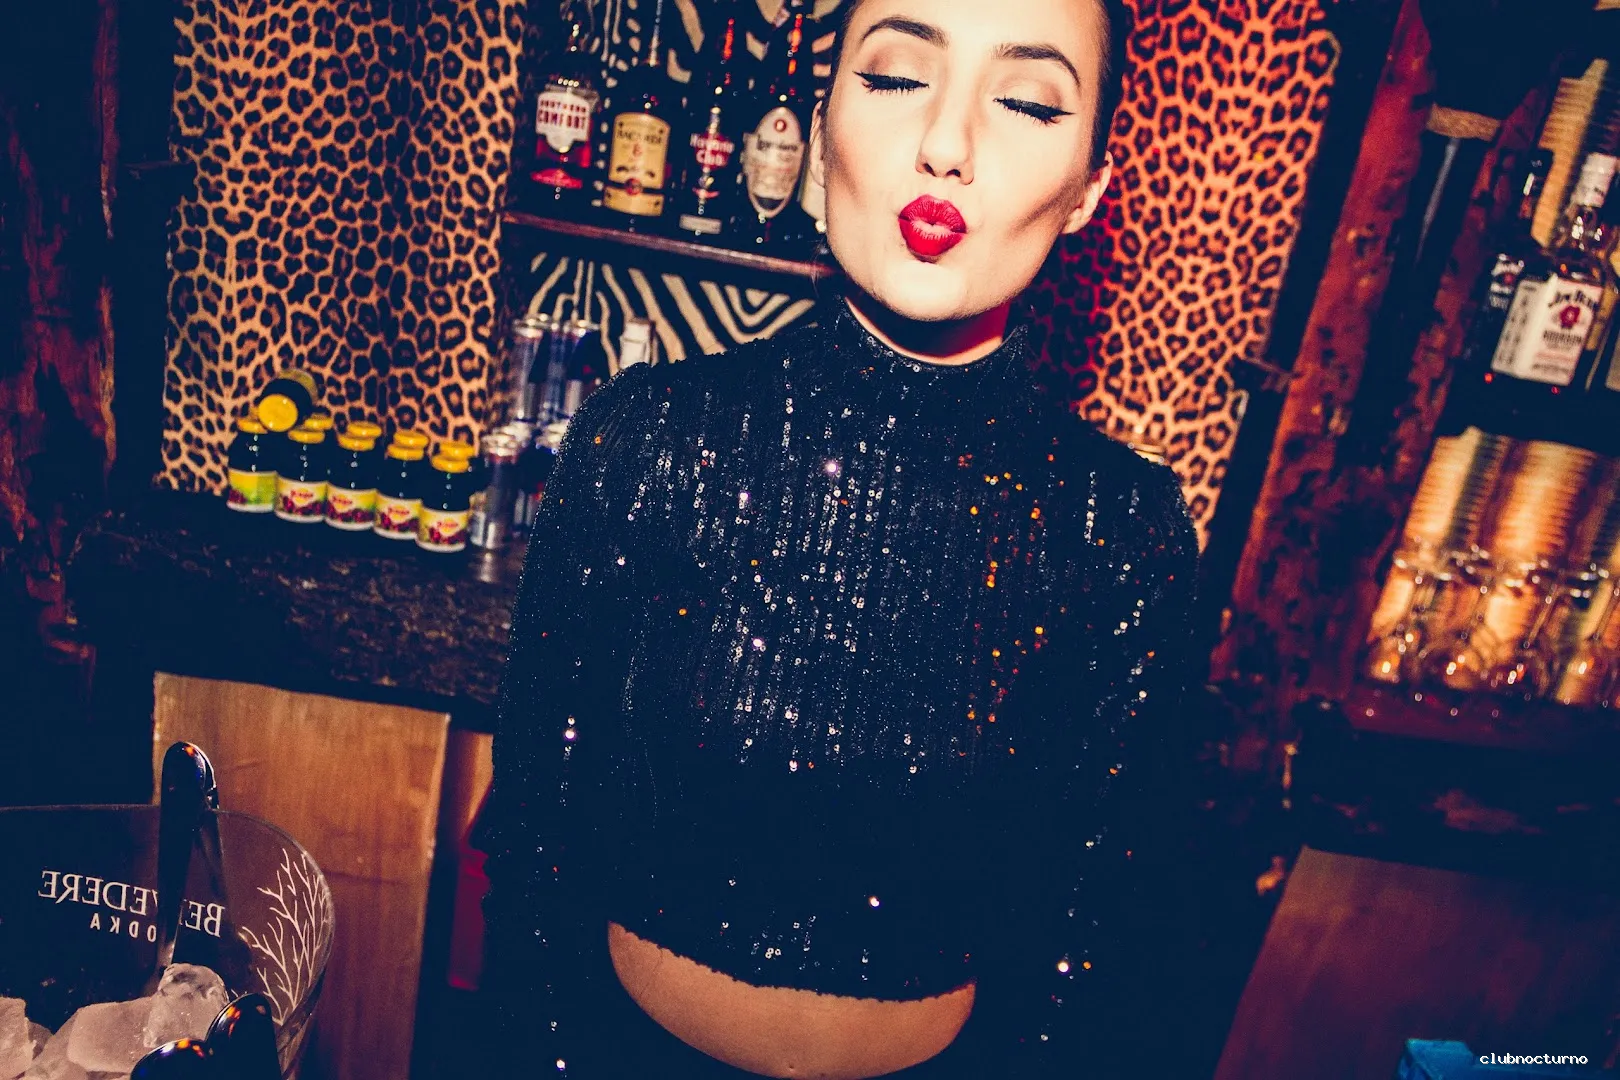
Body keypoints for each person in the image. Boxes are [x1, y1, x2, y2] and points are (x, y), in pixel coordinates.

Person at [482, 0, 1200, 1075]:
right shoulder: (651, 438)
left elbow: (1094, 941)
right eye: (899, 78)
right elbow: (538, 837)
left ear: (1091, 188)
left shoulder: (1118, 531)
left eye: (1026, 100)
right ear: (820, 136)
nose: (946, 142)